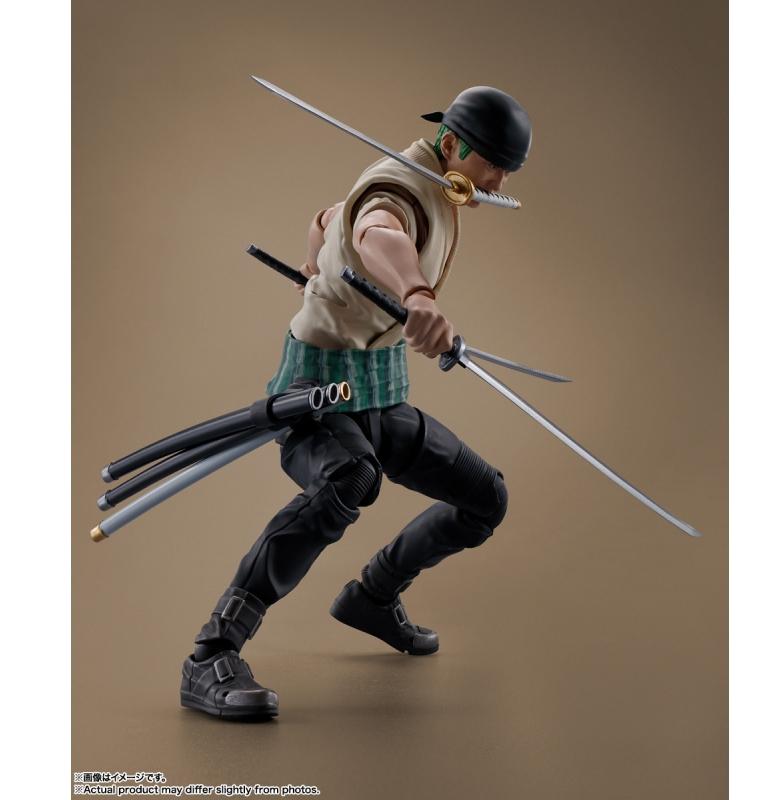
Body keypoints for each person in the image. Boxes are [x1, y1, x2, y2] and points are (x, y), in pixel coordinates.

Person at [179, 86, 533, 719]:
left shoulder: (428, 184)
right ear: (452, 144)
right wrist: (417, 295)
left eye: (508, 170)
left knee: (486, 497)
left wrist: (315, 258)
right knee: (349, 480)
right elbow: (375, 233)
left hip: (379, 391)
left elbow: (330, 218)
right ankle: (211, 653)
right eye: (491, 164)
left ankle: (373, 595)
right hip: (316, 393)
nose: (497, 182)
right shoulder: (400, 188)